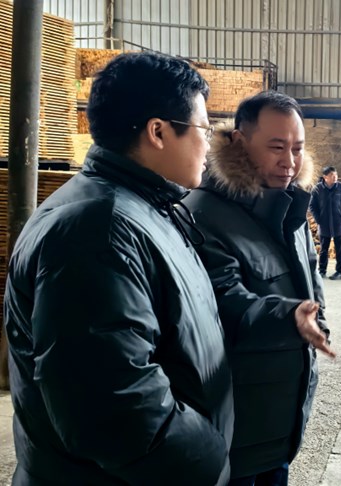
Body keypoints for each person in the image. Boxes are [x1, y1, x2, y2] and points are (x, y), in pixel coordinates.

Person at [3, 52, 234, 484]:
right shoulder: (97, 232)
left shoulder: (143, 208)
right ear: (158, 132)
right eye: (203, 129)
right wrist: (210, 454)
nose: (208, 144)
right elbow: (116, 413)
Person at [184, 91, 335, 486]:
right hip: (235, 428)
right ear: (239, 141)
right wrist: (290, 318)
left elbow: (311, 281)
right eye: (276, 147)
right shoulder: (203, 214)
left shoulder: (290, 208)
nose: (290, 162)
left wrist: (315, 317)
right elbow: (223, 303)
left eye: (298, 148)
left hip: (280, 422)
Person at [310, 166, 341, 280]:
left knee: (339, 249)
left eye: (336, 175)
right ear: (325, 177)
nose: (335, 177)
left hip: (338, 223)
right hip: (324, 223)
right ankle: (322, 271)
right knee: (323, 249)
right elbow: (312, 205)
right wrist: (318, 219)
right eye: (332, 175)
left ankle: (340, 271)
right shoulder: (318, 189)